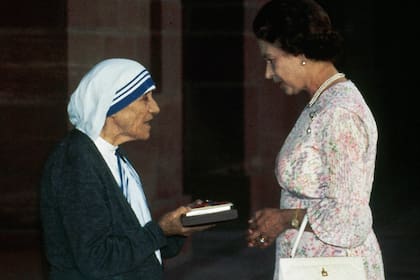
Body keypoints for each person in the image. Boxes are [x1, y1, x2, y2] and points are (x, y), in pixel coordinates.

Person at [246, 1, 385, 279]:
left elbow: (347, 217)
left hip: (333, 268)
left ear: (299, 53)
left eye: (271, 60)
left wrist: (283, 219)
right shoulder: (322, 103)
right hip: (313, 264)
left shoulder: (338, 112)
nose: (268, 74)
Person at [40, 58, 212, 279]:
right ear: (112, 107)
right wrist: (160, 230)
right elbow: (97, 260)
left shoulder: (112, 157)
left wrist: (179, 228)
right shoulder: (76, 162)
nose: (155, 108)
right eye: (144, 99)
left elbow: (140, 247)